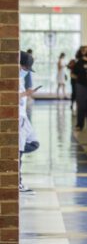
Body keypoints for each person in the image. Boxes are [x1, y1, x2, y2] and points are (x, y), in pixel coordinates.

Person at [18, 51, 40, 194]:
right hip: (17, 119)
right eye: (25, 68)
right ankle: (17, 182)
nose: (26, 72)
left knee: (33, 143)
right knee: (18, 153)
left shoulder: (19, 78)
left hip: (23, 118)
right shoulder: (10, 77)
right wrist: (26, 94)